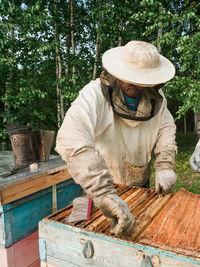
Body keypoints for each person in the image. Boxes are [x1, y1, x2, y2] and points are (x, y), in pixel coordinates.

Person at [55, 40, 177, 237]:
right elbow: (72, 137)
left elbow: (166, 127)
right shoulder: (94, 94)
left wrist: (165, 164)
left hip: (141, 185)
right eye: (131, 77)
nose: (135, 84)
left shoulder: (157, 98)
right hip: (103, 189)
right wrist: (103, 193)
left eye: (142, 80)